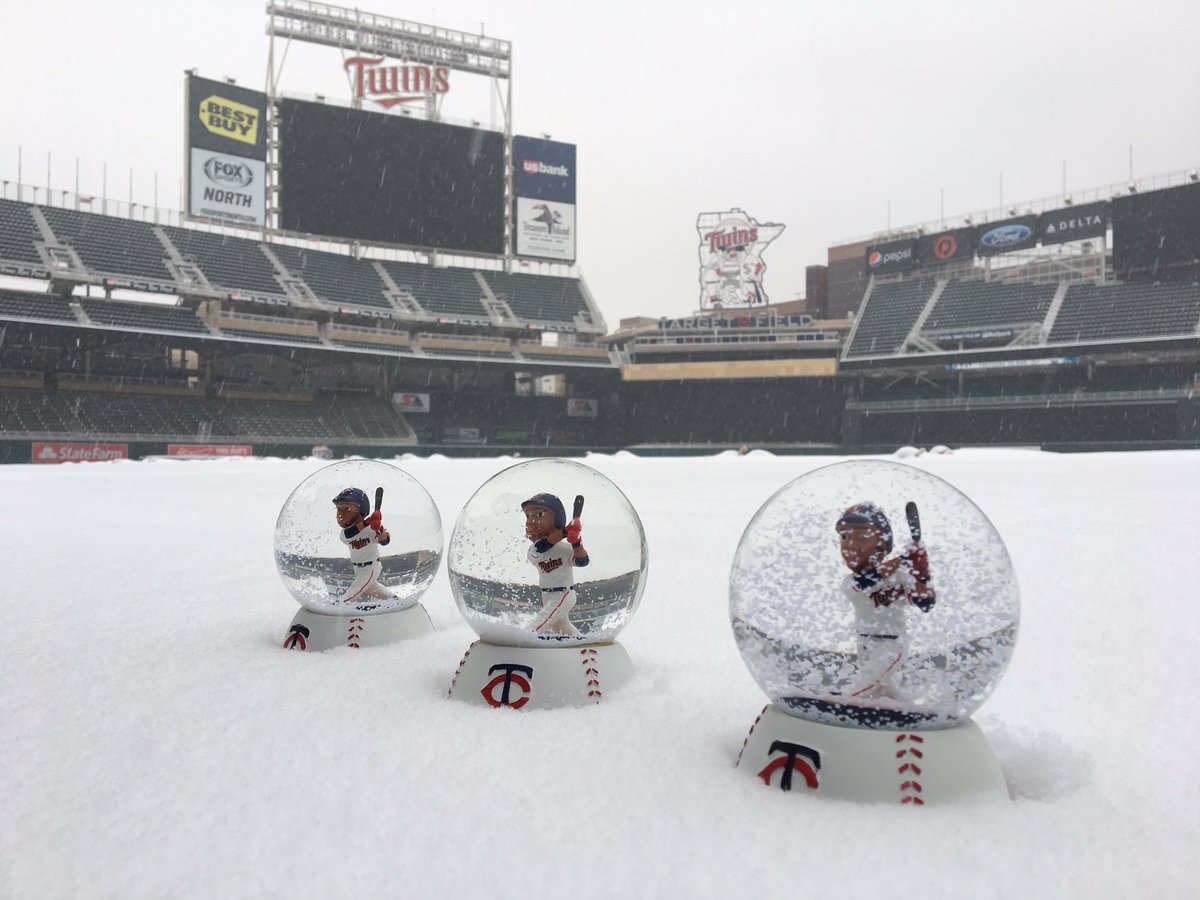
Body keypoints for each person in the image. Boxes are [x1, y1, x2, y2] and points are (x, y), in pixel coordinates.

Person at [835, 502, 935, 700]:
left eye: (862, 536)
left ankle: (842, 702)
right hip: (864, 642)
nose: (851, 545)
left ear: (882, 544)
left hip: (891, 644)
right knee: (882, 687)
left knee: (867, 682)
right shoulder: (850, 582)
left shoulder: (900, 575)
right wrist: (904, 559)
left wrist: (922, 573)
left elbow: (925, 602)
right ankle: (905, 708)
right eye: (844, 537)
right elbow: (867, 581)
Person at [521, 492, 589, 637]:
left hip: (563, 594)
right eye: (528, 516)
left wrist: (576, 541)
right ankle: (582, 642)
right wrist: (566, 531)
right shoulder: (534, 550)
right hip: (546, 595)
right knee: (562, 628)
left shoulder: (564, 549)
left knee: (537, 626)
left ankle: (524, 639)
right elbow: (543, 546)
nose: (530, 521)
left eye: (538, 515)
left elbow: (583, 561)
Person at [332, 486, 395, 607]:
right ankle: (395, 600)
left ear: (361, 511)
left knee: (356, 589)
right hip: (358, 569)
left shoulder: (370, 529)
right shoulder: (345, 533)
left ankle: (341, 605)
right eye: (338, 508)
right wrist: (368, 522)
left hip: (371, 567)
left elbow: (385, 540)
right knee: (373, 589)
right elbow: (350, 534)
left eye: (347, 508)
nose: (340, 513)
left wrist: (378, 528)